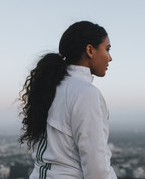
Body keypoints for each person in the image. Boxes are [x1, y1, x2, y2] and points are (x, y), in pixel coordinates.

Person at [18, 21, 117, 179]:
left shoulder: (50, 88)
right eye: (107, 49)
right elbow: (97, 169)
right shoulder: (85, 93)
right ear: (90, 50)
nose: (110, 58)